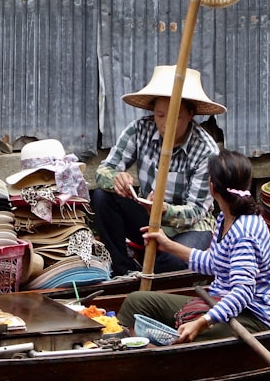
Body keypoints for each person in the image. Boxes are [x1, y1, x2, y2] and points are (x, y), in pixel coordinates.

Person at [116, 150, 270, 343]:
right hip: (217, 302)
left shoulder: (245, 231)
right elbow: (214, 262)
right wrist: (167, 245)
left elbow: (242, 292)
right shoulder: (225, 218)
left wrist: (201, 322)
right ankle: (135, 350)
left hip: (250, 316)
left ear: (212, 188)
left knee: (182, 338)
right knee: (136, 301)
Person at [92, 66, 224, 276]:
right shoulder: (139, 130)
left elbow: (197, 211)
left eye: (176, 117)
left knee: (170, 262)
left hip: (189, 227)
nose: (165, 124)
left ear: (191, 114)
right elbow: (103, 171)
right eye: (160, 115)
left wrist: (165, 210)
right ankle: (122, 269)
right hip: (147, 217)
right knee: (101, 197)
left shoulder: (206, 151)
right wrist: (117, 179)